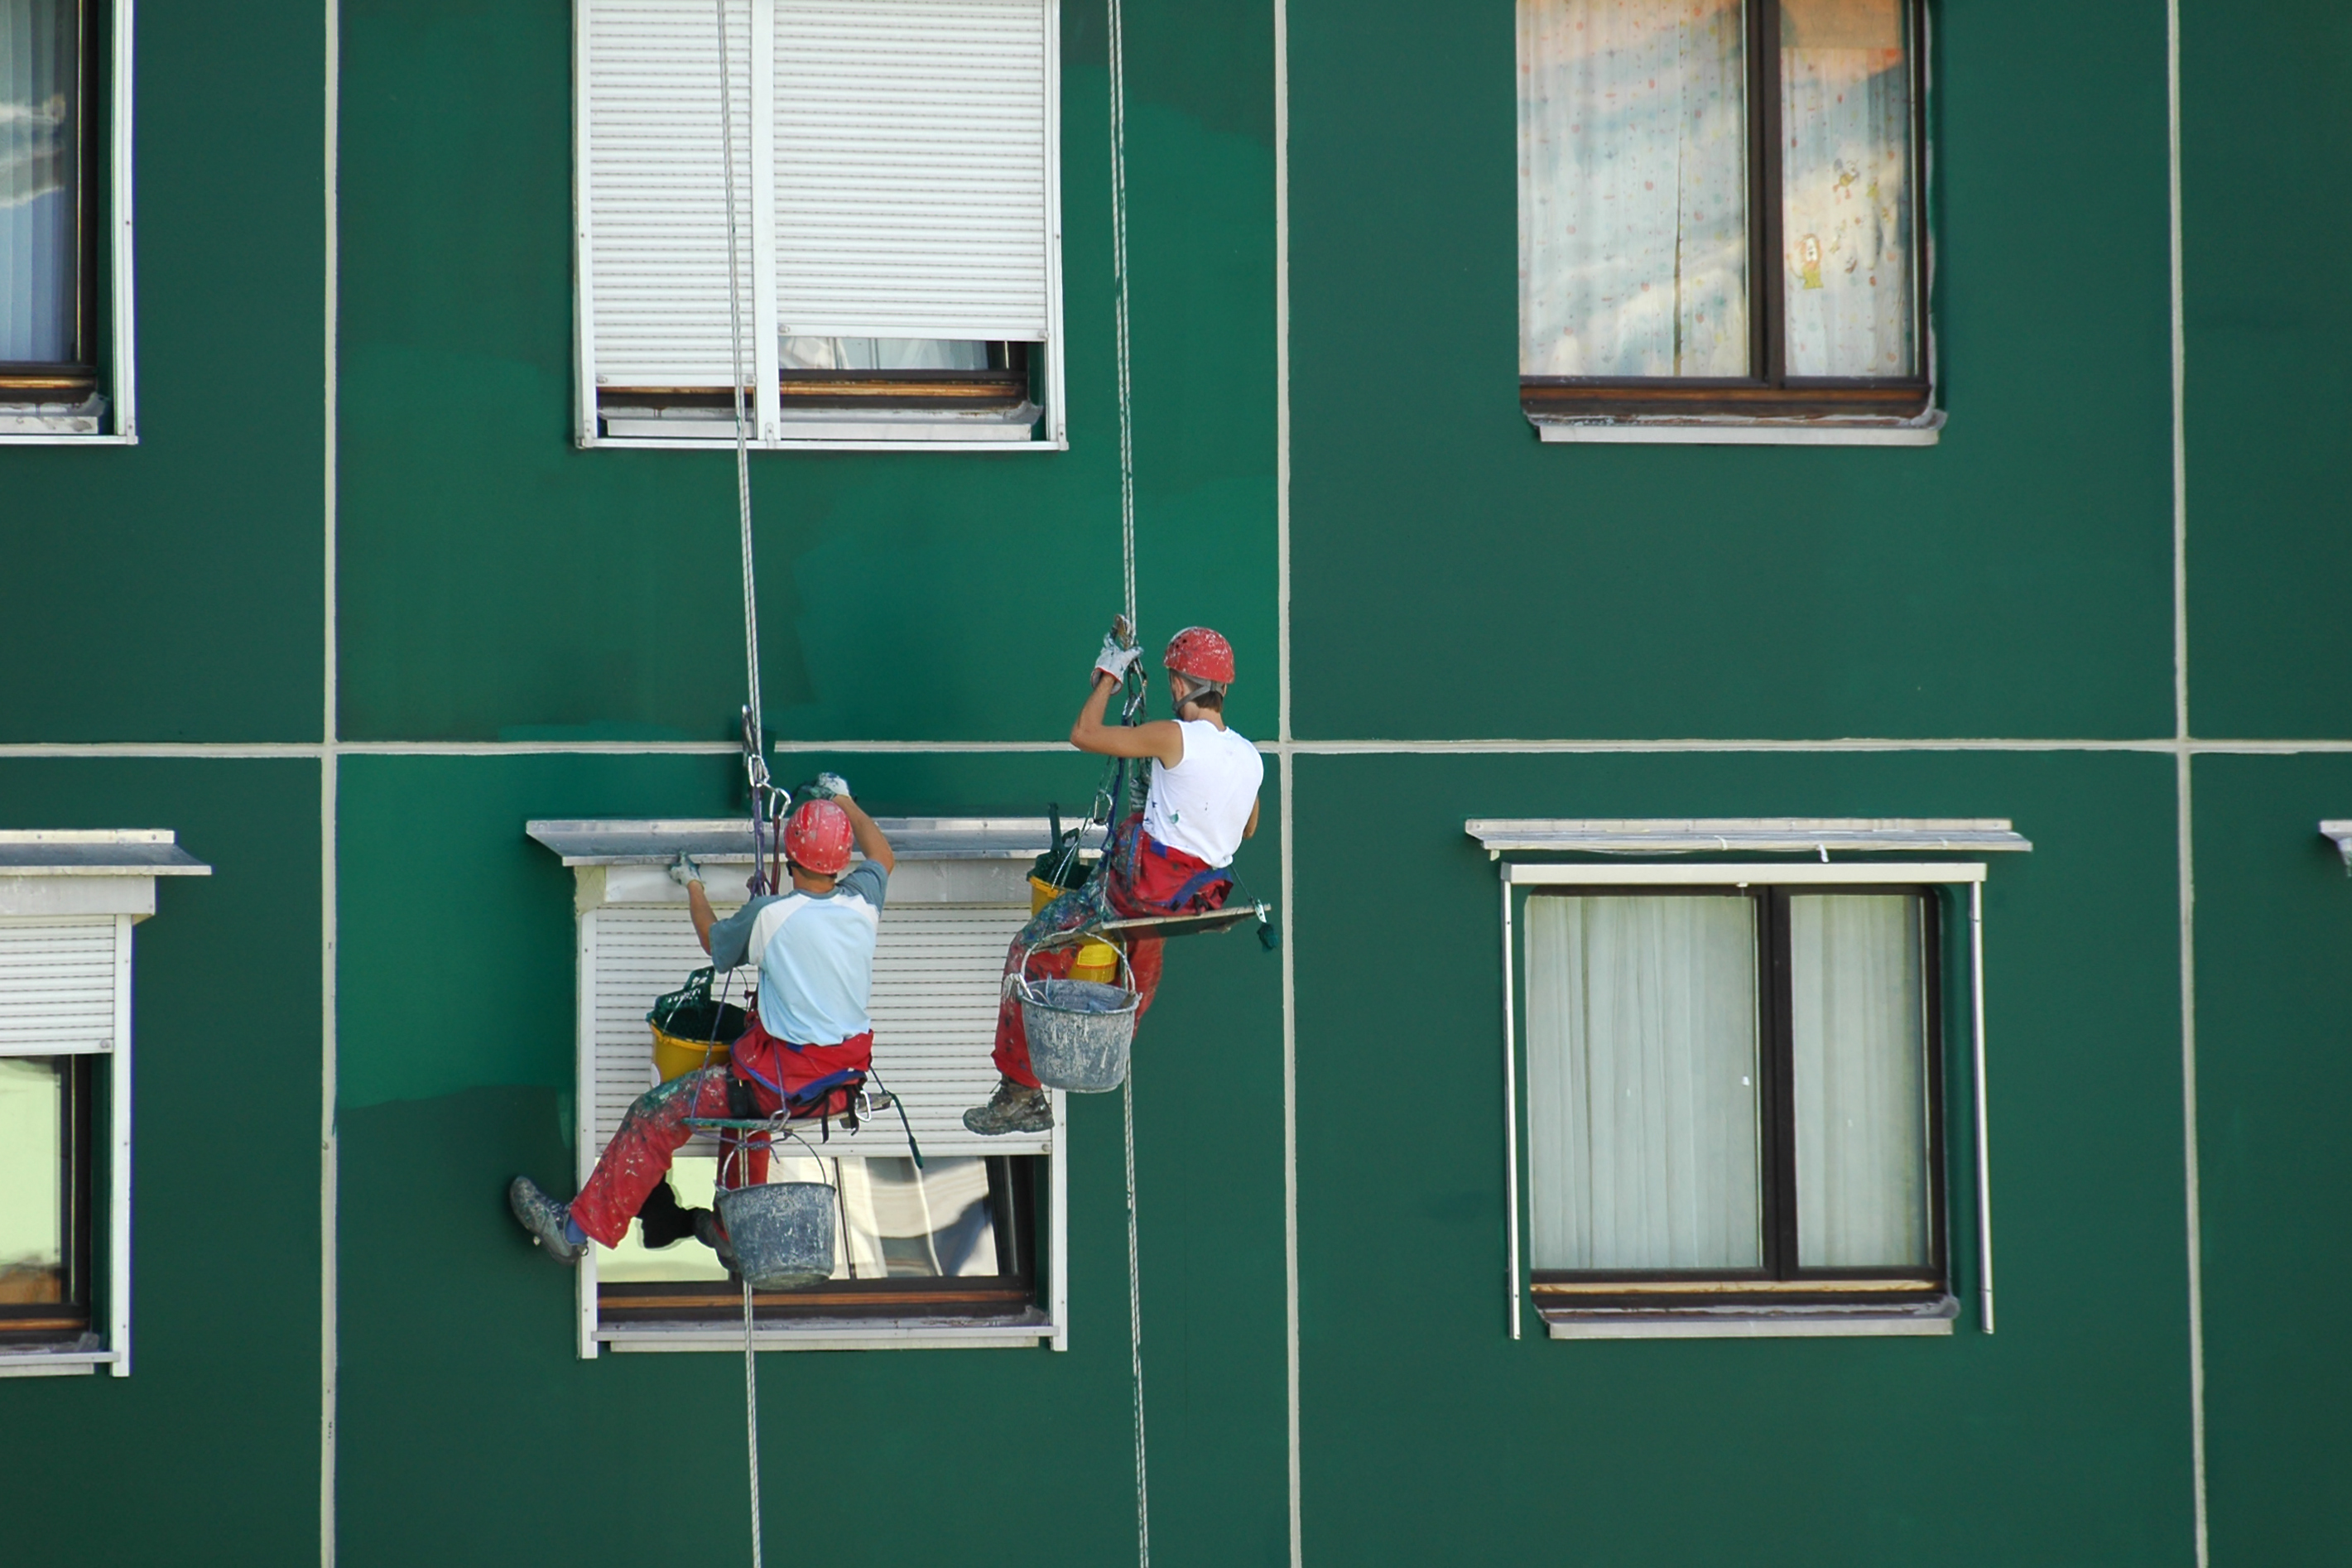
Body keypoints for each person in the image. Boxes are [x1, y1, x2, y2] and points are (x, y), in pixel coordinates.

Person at [507, 779, 896, 1264]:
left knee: (657, 1113)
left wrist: (692, 882)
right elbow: (881, 852)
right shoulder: (863, 903)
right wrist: (842, 799)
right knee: (742, 1115)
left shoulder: (770, 916)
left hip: (780, 1086)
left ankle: (573, 1230)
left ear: (790, 852)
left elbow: (714, 943)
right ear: (842, 859)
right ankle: (731, 1233)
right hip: (838, 1087)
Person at [963, 625, 1263, 1135]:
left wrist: (1108, 675)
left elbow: (1083, 734)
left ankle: (1020, 1092)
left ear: (1177, 685)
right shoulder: (1249, 756)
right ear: (1224, 688)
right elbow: (1247, 827)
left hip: (1137, 891)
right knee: (1139, 962)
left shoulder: (1174, 736)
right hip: (1190, 902)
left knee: (1029, 949)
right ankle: (1105, 1059)